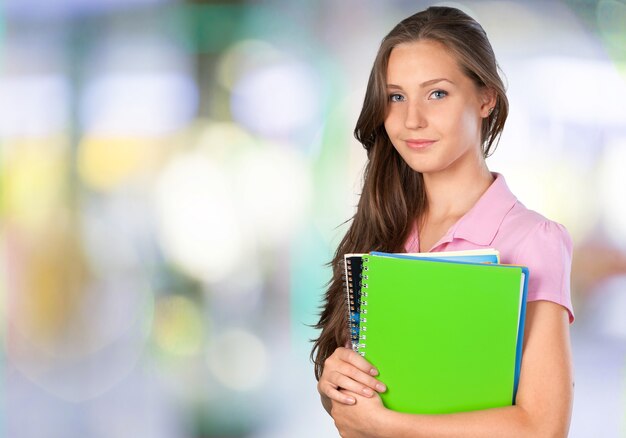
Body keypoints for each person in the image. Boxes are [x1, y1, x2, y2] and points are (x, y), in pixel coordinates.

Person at [311, 6, 574, 437]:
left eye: (437, 94)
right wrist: (337, 385)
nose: (412, 119)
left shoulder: (532, 240)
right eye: (396, 97)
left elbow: (542, 428)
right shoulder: (381, 229)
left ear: (486, 97)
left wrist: (387, 424)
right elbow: (360, 407)